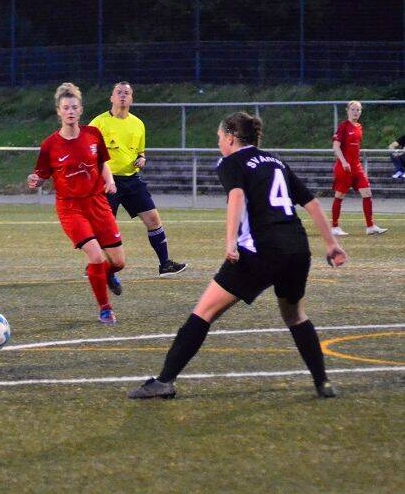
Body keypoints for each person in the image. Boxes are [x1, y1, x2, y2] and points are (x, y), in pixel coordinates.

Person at [128, 112, 347, 400]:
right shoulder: (275, 161)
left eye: (220, 137)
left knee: (204, 312)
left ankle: (164, 381)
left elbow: (237, 196)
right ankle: (323, 382)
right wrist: (331, 244)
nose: (219, 142)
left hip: (259, 251)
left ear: (231, 138)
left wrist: (231, 242)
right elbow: (312, 203)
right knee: (295, 316)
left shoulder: (231, 162)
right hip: (297, 248)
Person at [27, 82, 125, 325]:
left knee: (118, 262)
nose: (70, 111)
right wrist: (35, 180)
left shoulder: (93, 135)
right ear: (59, 112)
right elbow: (41, 175)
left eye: (74, 107)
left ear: (80, 110)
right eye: (65, 108)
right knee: (96, 256)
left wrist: (110, 181)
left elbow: (102, 163)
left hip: (98, 203)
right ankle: (105, 309)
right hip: (71, 208)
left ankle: (104, 275)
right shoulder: (49, 145)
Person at [89, 81, 187, 278]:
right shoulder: (98, 123)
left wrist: (142, 159)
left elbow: (140, 152)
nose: (122, 96)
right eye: (119, 92)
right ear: (111, 98)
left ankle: (165, 264)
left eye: (126, 93)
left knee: (153, 219)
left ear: (131, 98)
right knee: (104, 226)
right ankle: (95, 266)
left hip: (132, 180)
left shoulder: (138, 124)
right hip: (107, 182)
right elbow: (87, 151)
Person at [330, 100, 387, 236]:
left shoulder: (359, 127)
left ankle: (370, 226)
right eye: (353, 109)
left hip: (357, 167)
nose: (356, 112)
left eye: (358, 110)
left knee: (367, 193)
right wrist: (344, 162)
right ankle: (334, 227)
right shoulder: (343, 127)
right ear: (347, 111)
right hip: (344, 167)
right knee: (339, 195)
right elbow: (336, 147)